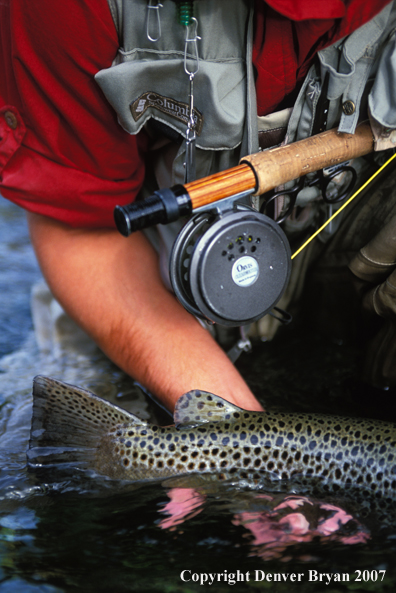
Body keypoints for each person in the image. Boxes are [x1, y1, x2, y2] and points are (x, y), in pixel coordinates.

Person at [0, 0, 394, 413]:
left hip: (354, 248)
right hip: (149, 283)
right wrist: (229, 431)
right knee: (92, 440)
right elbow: (82, 227)